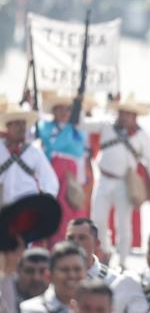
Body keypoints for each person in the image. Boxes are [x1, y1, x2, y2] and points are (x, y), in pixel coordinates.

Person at [84, 97, 150, 269]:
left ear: (134, 116)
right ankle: (106, 251)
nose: (125, 117)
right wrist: (80, 104)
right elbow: (82, 125)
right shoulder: (106, 125)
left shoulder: (142, 134)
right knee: (98, 220)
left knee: (123, 224)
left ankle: (122, 261)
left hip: (125, 183)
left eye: (128, 114)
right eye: (122, 113)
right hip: (104, 179)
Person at [65, 218, 148, 313]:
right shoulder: (59, 278)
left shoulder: (114, 281)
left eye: (82, 238)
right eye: (71, 238)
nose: (75, 242)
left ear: (97, 243)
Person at [38, 93, 88, 244]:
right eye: (60, 109)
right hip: (51, 173)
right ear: (53, 111)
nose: (64, 113)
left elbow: (80, 153)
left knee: (71, 210)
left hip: (70, 177)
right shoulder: (44, 127)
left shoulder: (77, 130)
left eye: (67, 109)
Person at [0, 104, 59, 205]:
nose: (22, 128)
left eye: (23, 124)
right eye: (17, 124)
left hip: (27, 205)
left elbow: (50, 180)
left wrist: (46, 200)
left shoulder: (34, 152)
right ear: (8, 126)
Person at [20, 242, 87, 313]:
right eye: (65, 269)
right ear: (49, 275)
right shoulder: (30, 309)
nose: (72, 275)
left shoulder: (96, 308)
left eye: (77, 269)